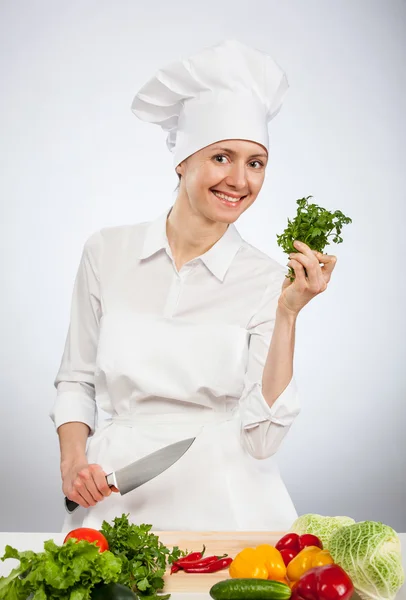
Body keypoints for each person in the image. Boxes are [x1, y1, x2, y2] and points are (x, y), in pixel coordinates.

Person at [50, 39, 337, 532]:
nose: (240, 180)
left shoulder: (268, 279)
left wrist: (288, 311)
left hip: (230, 497)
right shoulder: (106, 253)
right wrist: (73, 462)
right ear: (182, 161)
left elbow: (263, 439)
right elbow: (76, 379)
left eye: (256, 162)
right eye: (222, 157)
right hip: (118, 489)